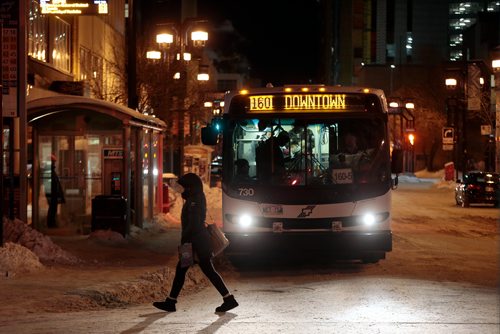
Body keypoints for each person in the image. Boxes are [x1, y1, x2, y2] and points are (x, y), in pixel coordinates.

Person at [153, 173, 238, 313]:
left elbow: (194, 224)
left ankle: (228, 299)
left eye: (184, 187)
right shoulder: (194, 198)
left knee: (203, 270)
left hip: (195, 243)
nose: (182, 190)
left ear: (191, 187)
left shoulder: (194, 200)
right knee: (184, 270)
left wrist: (184, 240)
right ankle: (171, 301)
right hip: (194, 242)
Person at [45, 155, 65, 228]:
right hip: (52, 193)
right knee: (52, 209)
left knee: (53, 208)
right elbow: (51, 183)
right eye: (53, 162)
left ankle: (52, 223)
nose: (54, 163)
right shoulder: (49, 171)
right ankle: (51, 223)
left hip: (53, 193)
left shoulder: (51, 171)